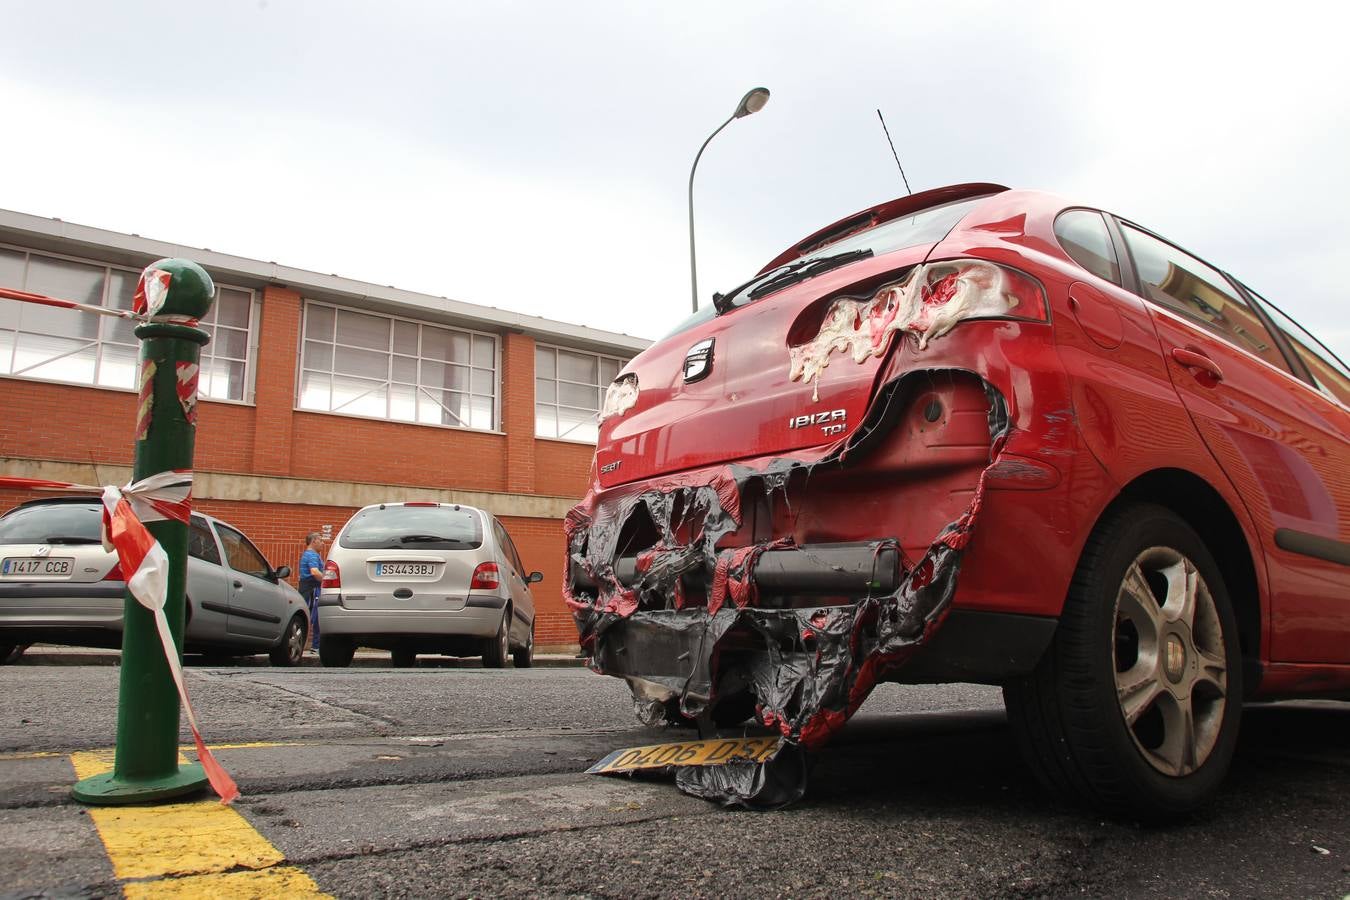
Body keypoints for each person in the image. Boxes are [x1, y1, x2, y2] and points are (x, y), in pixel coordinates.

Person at [298, 532, 325, 653]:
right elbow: (314, 572)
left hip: (307, 588)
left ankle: (313, 645)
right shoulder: (312, 555)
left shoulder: (309, 554)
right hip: (312, 589)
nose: (323, 543)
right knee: (315, 618)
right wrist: (327, 581)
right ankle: (316, 646)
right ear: (313, 541)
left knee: (309, 617)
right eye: (320, 540)